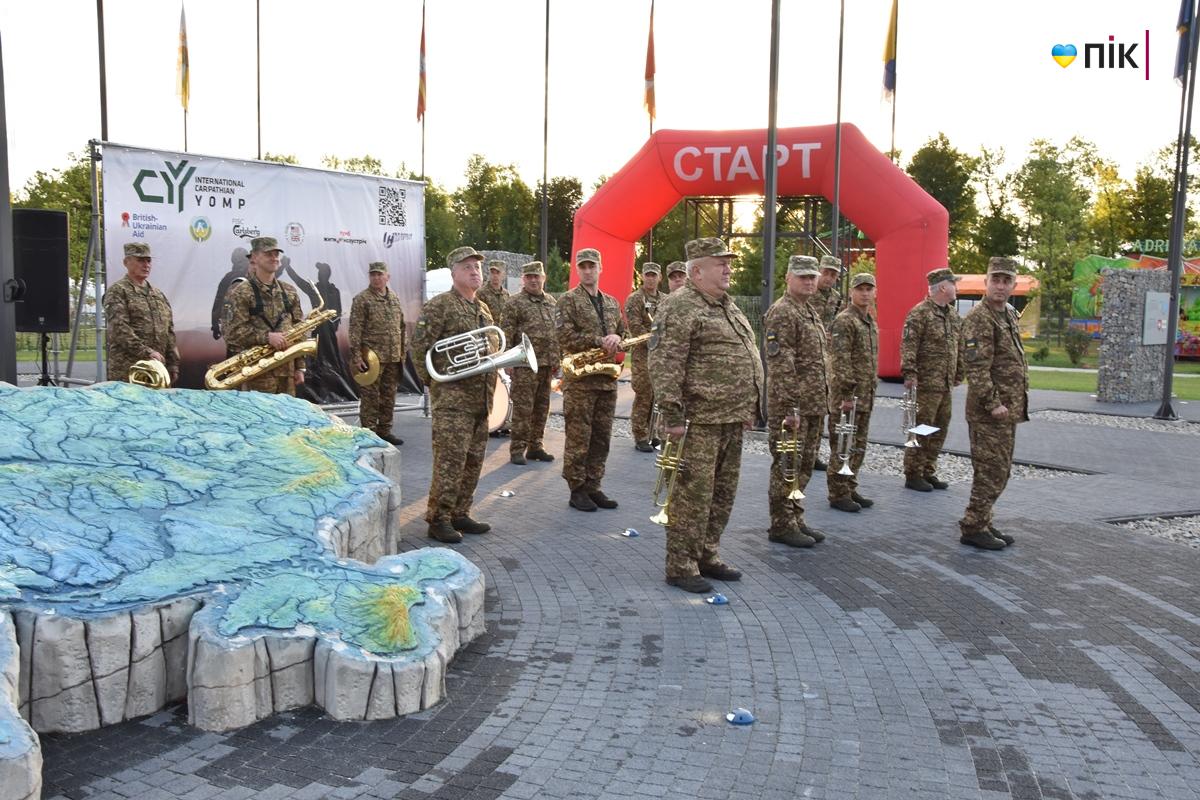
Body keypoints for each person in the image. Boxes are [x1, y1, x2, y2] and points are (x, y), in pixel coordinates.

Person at [650, 238, 762, 593]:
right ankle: (681, 564)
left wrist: (750, 407)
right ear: (696, 271)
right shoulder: (681, 306)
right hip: (697, 422)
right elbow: (666, 362)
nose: (728, 268)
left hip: (729, 418)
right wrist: (673, 415)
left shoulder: (728, 305)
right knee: (692, 496)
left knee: (722, 494)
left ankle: (707, 554)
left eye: (728, 262)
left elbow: (747, 356)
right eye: (720, 263)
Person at [410, 246, 497, 544]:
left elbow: (490, 349)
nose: (475, 271)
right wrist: (433, 381)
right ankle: (439, 518)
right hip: (453, 401)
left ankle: (461, 512)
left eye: (477, 267)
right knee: (450, 461)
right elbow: (419, 347)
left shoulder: (483, 308)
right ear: (454, 273)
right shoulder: (440, 306)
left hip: (480, 399)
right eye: (468, 267)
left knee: (473, 461)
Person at [958, 257, 1029, 550]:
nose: (1000, 286)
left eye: (1006, 281)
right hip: (990, 413)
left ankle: (983, 520)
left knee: (1000, 469)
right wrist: (993, 403)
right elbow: (976, 368)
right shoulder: (980, 317)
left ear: (1013, 284)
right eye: (995, 280)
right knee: (990, 470)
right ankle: (973, 526)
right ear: (986, 282)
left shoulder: (1008, 315)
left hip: (1007, 410)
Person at [764, 255, 830, 548]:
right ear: (788, 278)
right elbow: (781, 364)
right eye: (802, 276)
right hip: (793, 407)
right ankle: (781, 523)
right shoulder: (783, 312)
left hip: (814, 404)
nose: (808, 281)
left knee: (803, 466)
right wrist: (791, 408)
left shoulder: (809, 311)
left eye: (812, 277)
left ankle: (795, 516)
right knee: (786, 464)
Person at [556, 247, 627, 512]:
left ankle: (594, 485)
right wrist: (598, 340)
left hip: (606, 380)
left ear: (600, 268)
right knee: (578, 437)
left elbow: (623, 332)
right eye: (583, 266)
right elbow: (563, 337)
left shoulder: (611, 302)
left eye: (592, 266)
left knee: (601, 437)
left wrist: (618, 338)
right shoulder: (567, 300)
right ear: (577, 270)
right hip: (581, 382)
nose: (587, 271)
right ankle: (577, 489)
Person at [900, 267, 965, 492]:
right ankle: (913, 473)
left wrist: (959, 372)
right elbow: (909, 345)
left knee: (939, 428)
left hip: (945, 384)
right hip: (926, 384)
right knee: (921, 429)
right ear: (944, 287)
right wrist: (910, 373)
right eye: (954, 284)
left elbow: (960, 345)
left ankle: (928, 470)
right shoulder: (920, 313)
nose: (957, 288)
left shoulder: (952, 315)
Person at [222, 236, 306, 395]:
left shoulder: (290, 291)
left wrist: (299, 367)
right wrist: (267, 337)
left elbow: (299, 330)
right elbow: (232, 334)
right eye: (268, 254)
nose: (274, 258)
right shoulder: (241, 292)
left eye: (276, 254)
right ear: (254, 257)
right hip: (256, 374)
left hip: (286, 374)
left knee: (288, 419)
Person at [826, 273, 878, 512]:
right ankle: (838, 492)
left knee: (858, 444)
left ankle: (850, 485)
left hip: (865, 394)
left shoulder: (869, 320)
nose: (865, 293)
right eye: (860, 289)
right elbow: (840, 359)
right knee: (843, 443)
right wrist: (847, 395)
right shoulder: (845, 320)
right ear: (851, 292)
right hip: (848, 396)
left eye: (869, 289)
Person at [502, 260, 558, 465]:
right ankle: (517, 449)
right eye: (529, 277)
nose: (534, 280)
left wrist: (556, 360)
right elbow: (506, 334)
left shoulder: (551, 302)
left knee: (542, 408)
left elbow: (556, 333)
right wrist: (507, 362)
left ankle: (536, 447)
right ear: (523, 280)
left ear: (544, 278)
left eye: (537, 276)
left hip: (546, 365)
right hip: (524, 365)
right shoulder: (514, 303)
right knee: (523, 409)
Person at [348, 261, 406, 446]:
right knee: (370, 398)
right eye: (373, 274)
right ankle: (369, 433)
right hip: (371, 359)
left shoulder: (394, 298)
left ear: (387, 277)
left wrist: (402, 353)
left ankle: (384, 431)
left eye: (380, 274)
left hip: (393, 357)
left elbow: (401, 327)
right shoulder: (362, 299)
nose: (376, 278)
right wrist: (357, 357)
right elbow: (355, 330)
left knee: (389, 397)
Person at [104, 242, 179, 384]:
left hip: (157, 373)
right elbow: (119, 329)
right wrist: (147, 352)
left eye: (148, 260)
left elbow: (169, 331)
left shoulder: (158, 294)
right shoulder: (118, 291)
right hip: (128, 371)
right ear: (126, 262)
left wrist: (173, 363)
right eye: (140, 260)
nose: (146, 265)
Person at [808, 254, 843, 472]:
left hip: (829, 357)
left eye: (833, 274)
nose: (828, 278)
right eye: (826, 272)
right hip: (810, 355)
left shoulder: (836, 297)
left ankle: (814, 453)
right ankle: (805, 453)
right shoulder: (809, 293)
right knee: (810, 408)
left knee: (823, 407)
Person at [624, 262, 663, 452]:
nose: (650, 278)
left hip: (660, 356)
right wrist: (655, 339)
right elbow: (635, 326)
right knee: (644, 394)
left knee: (657, 395)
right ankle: (640, 435)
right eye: (647, 275)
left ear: (659, 278)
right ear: (642, 277)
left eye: (654, 275)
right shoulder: (635, 299)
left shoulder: (665, 300)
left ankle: (652, 433)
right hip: (643, 355)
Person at [478, 259, 510, 325]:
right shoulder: (481, 293)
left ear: (503, 274)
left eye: (498, 272)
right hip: (489, 331)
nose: (495, 275)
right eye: (492, 272)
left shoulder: (506, 294)